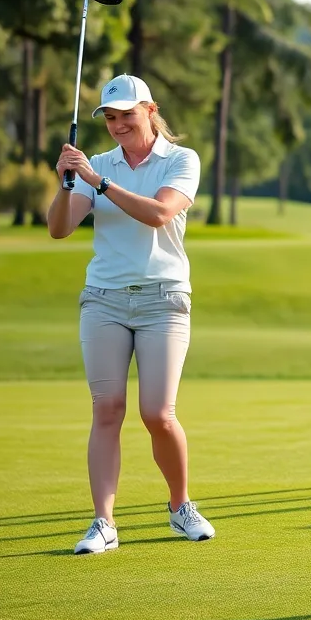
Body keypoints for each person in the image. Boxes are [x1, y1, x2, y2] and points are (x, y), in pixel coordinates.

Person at [47, 73, 214, 554]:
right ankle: (103, 522)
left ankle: (180, 506)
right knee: (107, 409)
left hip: (164, 299)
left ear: (151, 110)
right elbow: (60, 228)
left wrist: (98, 181)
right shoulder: (96, 163)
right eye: (110, 117)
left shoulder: (180, 159)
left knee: (158, 413)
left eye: (127, 114)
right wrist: (66, 184)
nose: (119, 124)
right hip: (104, 298)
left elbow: (159, 213)